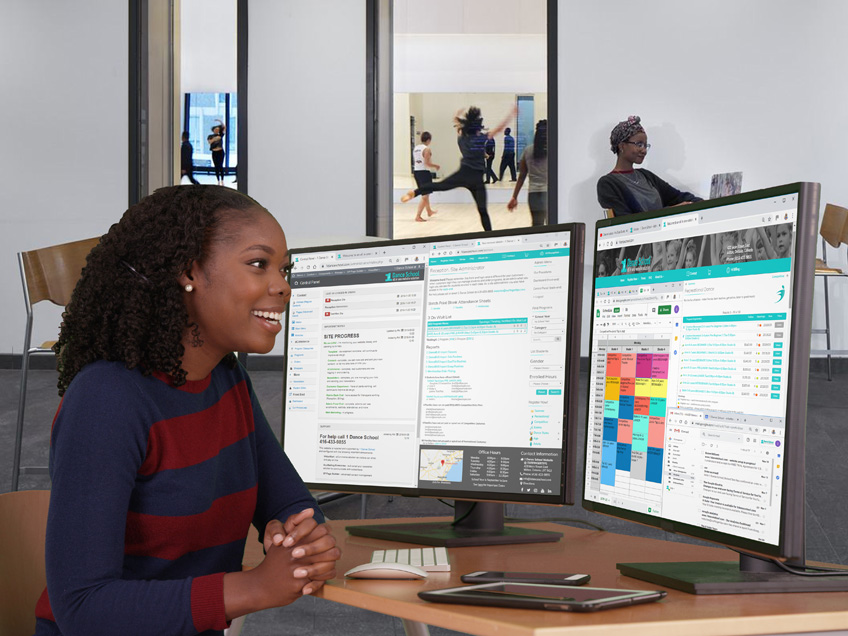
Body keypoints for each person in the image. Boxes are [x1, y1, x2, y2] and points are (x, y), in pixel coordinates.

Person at [35, 186, 341, 636]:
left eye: (284, 269)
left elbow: (290, 502)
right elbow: (82, 608)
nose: (283, 286)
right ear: (189, 271)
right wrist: (254, 588)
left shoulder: (226, 377)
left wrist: (300, 539)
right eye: (259, 264)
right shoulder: (107, 400)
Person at [401, 105, 515, 232]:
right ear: (478, 127)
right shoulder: (480, 138)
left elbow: (458, 125)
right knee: (483, 211)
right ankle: (489, 235)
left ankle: (414, 193)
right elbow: (499, 129)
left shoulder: (461, 137)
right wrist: (511, 115)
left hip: (463, 174)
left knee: (439, 185)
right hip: (477, 180)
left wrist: (457, 115)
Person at [597, 115, 702, 216]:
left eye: (645, 145)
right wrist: (671, 211)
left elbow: (678, 197)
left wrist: (707, 204)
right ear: (622, 146)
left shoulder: (646, 176)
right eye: (639, 144)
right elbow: (626, 221)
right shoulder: (607, 184)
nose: (644, 150)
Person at [507, 119, 548, 226]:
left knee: (537, 226)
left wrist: (514, 197)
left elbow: (522, 176)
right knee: (552, 227)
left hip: (533, 195)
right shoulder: (554, 151)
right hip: (549, 194)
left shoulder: (527, 151)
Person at [412, 131, 440, 222]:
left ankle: (429, 211)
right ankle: (418, 216)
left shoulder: (416, 148)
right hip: (424, 173)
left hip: (416, 172)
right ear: (428, 140)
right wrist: (436, 166)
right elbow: (427, 163)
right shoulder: (426, 149)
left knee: (425, 194)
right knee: (425, 195)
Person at [208, 119, 226, 185]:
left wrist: (220, 121)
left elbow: (224, 127)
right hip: (214, 152)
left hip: (220, 152)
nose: (217, 130)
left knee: (221, 166)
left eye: (218, 129)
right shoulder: (210, 136)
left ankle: (222, 180)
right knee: (216, 166)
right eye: (215, 129)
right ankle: (218, 180)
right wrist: (215, 138)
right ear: (213, 130)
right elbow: (210, 142)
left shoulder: (221, 135)